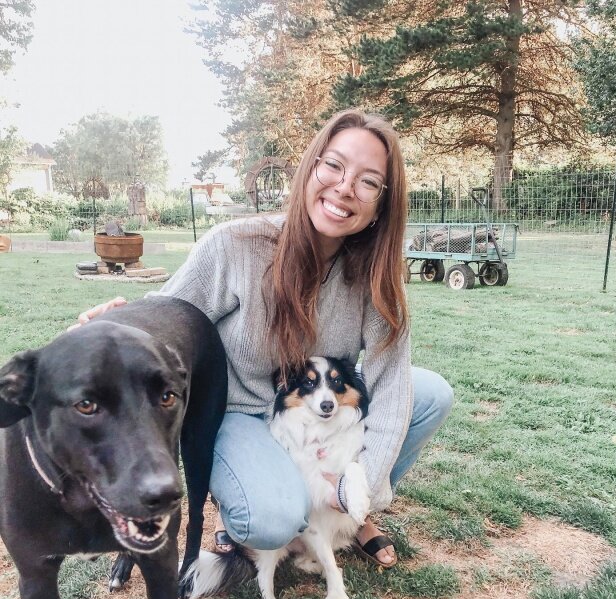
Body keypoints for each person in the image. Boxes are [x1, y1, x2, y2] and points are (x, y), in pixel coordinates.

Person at [76, 109, 454, 568]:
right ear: (311, 166)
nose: (344, 188)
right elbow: (169, 317)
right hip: (243, 413)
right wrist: (113, 329)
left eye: (368, 182)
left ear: (381, 205)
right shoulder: (235, 245)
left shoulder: (375, 277)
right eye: (334, 166)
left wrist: (359, 490)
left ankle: (350, 517)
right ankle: (247, 499)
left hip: (316, 409)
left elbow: (390, 385)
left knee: (430, 395)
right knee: (271, 520)